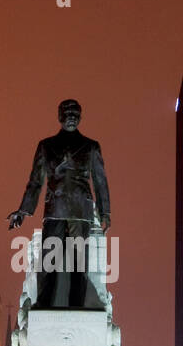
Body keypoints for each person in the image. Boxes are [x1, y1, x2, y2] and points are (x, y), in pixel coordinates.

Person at [7, 99, 110, 309]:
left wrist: (104, 212)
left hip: (81, 211)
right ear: (59, 116)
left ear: (80, 117)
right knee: (48, 261)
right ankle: (44, 303)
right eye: (67, 112)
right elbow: (35, 182)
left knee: (79, 264)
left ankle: (77, 307)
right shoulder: (46, 146)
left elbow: (100, 181)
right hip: (55, 209)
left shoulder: (91, 147)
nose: (71, 116)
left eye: (75, 112)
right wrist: (23, 211)